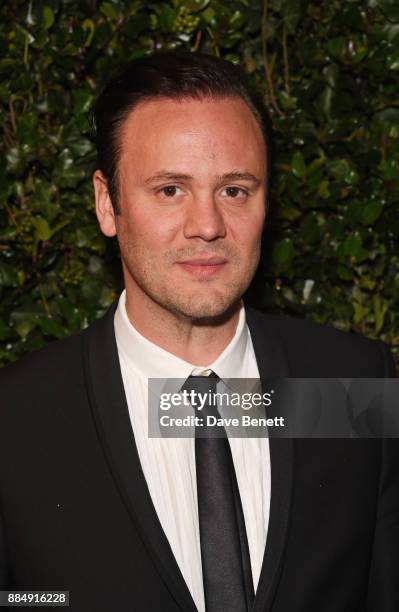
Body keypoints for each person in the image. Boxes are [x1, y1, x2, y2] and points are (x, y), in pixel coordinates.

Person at [0, 51, 397, 612]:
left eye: (234, 189)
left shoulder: (354, 389)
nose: (208, 225)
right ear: (106, 204)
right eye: (170, 190)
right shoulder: (16, 421)